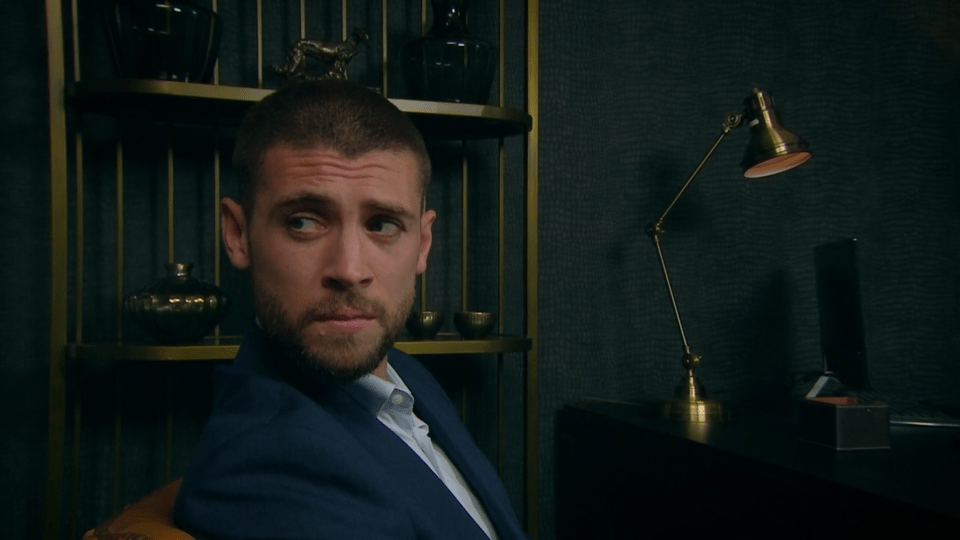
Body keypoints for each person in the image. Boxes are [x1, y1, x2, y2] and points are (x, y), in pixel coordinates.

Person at [173, 79, 529, 540]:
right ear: (238, 234)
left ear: (422, 245)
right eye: (303, 221)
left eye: (382, 224)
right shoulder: (265, 468)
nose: (349, 268)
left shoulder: (401, 373)